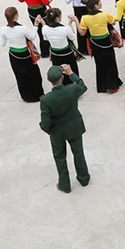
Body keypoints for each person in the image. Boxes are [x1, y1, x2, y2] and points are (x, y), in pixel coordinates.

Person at [39, 64, 90, 193]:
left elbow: (45, 123)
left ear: (49, 80)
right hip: (74, 127)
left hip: (57, 132)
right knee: (78, 153)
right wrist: (71, 73)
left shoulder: (46, 100)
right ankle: (84, 178)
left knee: (60, 158)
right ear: (62, 77)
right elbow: (82, 85)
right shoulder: (72, 90)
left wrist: (47, 129)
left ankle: (65, 185)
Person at [0, 7, 44, 102]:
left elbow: (2, 43)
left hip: (13, 55)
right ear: (16, 15)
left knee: (20, 76)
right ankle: (37, 94)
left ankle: (26, 96)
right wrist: (36, 25)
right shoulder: (23, 28)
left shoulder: (3, 29)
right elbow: (32, 36)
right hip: (25, 54)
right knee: (34, 74)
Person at [77, 0, 122, 94]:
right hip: (106, 41)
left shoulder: (84, 18)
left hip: (95, 43)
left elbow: (82, 33)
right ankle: (113, 84)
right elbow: (113, 22)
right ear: (96, 5)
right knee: (111, 63)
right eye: (99, 2)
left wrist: (76, 21)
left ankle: (102, 85)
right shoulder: (104, 14)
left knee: (100, 64)